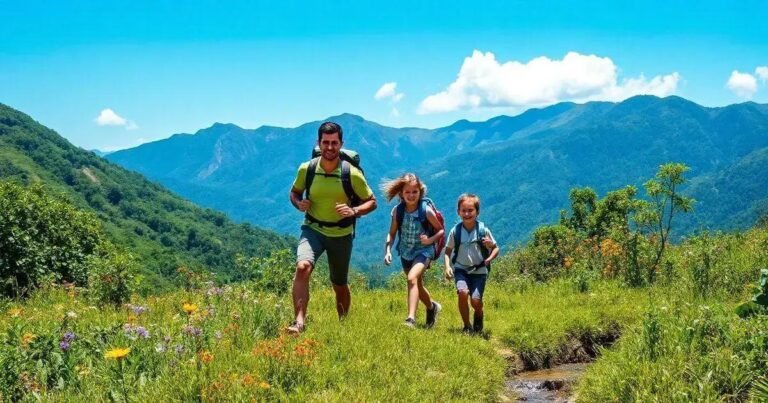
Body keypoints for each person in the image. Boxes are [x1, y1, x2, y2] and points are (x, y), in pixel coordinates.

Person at [287, 121, 377, 334]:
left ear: (341, 143)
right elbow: (294, 192)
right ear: (318, 143)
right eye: (325, 142)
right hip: (312, 229)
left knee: (339, 283)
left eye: (334, 143)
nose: (329, 147)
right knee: (302, 268)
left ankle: (343, 324)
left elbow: (372, 202)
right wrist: (299, 203)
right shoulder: (306, 169)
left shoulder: (351, 173)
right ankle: (299, 322)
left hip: (341, 233)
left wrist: (354, 211)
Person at [382, 173, 444, 328]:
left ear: (420, 192)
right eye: (407, 192)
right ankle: (432, 307)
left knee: (411, 278)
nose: (411, 195)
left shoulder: (426, 211)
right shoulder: (398, 211)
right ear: (401, 194)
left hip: (424, 251)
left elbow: (440, 230)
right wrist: (388, 250)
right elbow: (392, 233)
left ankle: (410, 319)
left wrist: (430, 240)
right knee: (416, 284)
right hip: (405, 252)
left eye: (414, 192)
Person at [443, 193, 499, 333]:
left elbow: (496, 248)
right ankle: (467, 326)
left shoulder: (483, 231)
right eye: (463, 210)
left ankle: (478, 314)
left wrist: (488, 259)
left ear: (477, 212)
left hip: (479, 271)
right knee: (462, 292)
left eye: (470, 210)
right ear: (458, 212)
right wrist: (448, 266)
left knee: (475, 301)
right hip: (461, 269)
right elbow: (447, 251)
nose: (467, 214)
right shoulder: (455, 231)